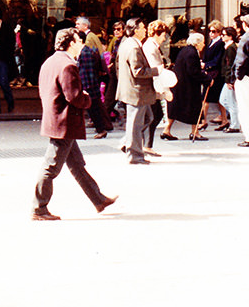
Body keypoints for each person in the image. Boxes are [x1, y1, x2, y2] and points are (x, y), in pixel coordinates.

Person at [31, 27, 117, 221]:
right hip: (65, 122)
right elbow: (75, 97)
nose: (82, 44)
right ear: (71, 43)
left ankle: (99, 199)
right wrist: (87, 99)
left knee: (76, 164)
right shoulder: (68, 65)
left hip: (56, 120)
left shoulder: (50, 61)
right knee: (51, 167)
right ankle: (39, 208)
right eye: (79, 41)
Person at [116, 18, 161, 164]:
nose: (145, 30)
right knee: (136, 123)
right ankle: (134, 155)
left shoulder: (127, 44)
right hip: (136, 91)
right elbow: (138, 71)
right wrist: (156, 70)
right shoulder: (133, 47)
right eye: (142, 28)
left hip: (133, 89)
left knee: (147, 118)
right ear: (136, 30)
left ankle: (127, 143)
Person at [162, 32, 212, 142]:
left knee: (175, 108)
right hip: (187, 87)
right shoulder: (192, 53)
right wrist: (207, 79)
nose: (203, 45)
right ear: (197, 43)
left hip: (180, 85)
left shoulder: (185, 50)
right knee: (195, 107)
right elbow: (193, 71)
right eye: (203, 43)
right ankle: (195, 132)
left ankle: (167, 130)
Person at [141, 20, 171, 156]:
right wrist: (165, 90)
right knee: (153, 115)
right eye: (164, 35)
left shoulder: (151, 46)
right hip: (152, 87)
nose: (164, 39)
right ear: (158, 34)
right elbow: (155, 71)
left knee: (153, 115)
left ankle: (140, 143)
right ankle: (143, 144)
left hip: (153, 87)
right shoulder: (150, 47)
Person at [77, 30, 110, 139]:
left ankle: (101, 129)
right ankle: (101, 128)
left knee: (94, 109)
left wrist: (86, 87)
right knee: (94, 108)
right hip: (89, 85)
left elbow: (87, 72)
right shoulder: (85, 52)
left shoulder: (85, 52)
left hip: (89, 86)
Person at [233, 14, 249, 147]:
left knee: (246, 109)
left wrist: (238, 76)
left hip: (247, 78)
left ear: (244, 25)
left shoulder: (246, 38)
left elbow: (241, 60)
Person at [200, 20, 226, 130]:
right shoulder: (212, 43)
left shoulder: (220, 43)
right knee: (217, 99)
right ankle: (224, 120)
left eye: (213, 31)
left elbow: (218, 60)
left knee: (206, 99)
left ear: (219, 32)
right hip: (212, 73)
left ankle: (203, 120)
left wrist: (205, 65)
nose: (211, 33)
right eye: (209, 31)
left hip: (215, 75)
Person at [219, 26, 240, 134]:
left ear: (230, 36)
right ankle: (235, 122)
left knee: (228, 101)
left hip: (230, 79)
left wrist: (229, 80)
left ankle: (235, 125)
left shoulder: (231, 48)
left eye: (224, 35)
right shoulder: (228, 47)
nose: (222, 36)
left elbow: (230, 65)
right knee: (225, 100)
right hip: (229, 78)